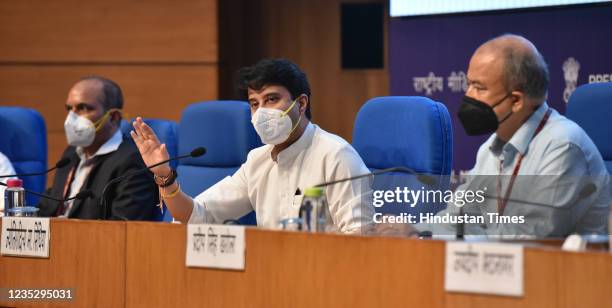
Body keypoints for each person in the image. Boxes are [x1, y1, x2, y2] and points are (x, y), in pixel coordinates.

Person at [132, 58, 373, 233]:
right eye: (254, 103)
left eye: (271, 99)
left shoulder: (335, 155)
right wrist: (165, 177)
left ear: (300, 104)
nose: (261, 112)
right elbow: (196, 215)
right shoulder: (258, 160)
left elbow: (361, 239)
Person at [415, 34, 610, 238]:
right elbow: (459, 219)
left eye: (479, 88)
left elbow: (530, 237)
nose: (468, 95)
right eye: (468, 84)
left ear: (516, 101)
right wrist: (413, 232)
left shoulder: (563, 147)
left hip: (564, 268)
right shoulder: (491, 148)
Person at [38, 76, 159, 220]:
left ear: (113, 117)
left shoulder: (133, 162)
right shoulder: (71, 153)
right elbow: (48, 208)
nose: (72, 118)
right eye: (70, 109)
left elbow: (123, 228)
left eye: (83, 108)